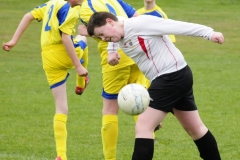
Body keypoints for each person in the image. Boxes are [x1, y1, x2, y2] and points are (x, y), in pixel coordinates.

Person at [87, 11, 224, 160]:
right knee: (196, 129)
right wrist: (111, 51)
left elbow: (177, 26)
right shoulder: (117, 29)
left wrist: (209, 33)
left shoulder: (142, 24)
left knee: (143, 127)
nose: (103, 39)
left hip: (170, 76)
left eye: (102, 34)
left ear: (110, 22)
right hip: (177, 75)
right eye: (99, 37)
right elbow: (115, 30)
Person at [2, 0, 89, 160]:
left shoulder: (51, 4)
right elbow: (65, 38)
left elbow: (28, 16)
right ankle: (80, 82)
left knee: (61, 108)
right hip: (62, 52)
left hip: (47, 57)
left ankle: (61, 155)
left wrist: (14, 40)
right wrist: (78, 66)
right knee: (83, 38)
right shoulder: (72, 10)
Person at [77, 0, 157, 159]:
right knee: (139, 101)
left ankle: (110, 158)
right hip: (136, 53)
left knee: (109, 109)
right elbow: (136, 17)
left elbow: (104, 33)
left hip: (116, 58)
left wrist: (86, 31)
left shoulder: (86, 8)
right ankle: (147, 144)